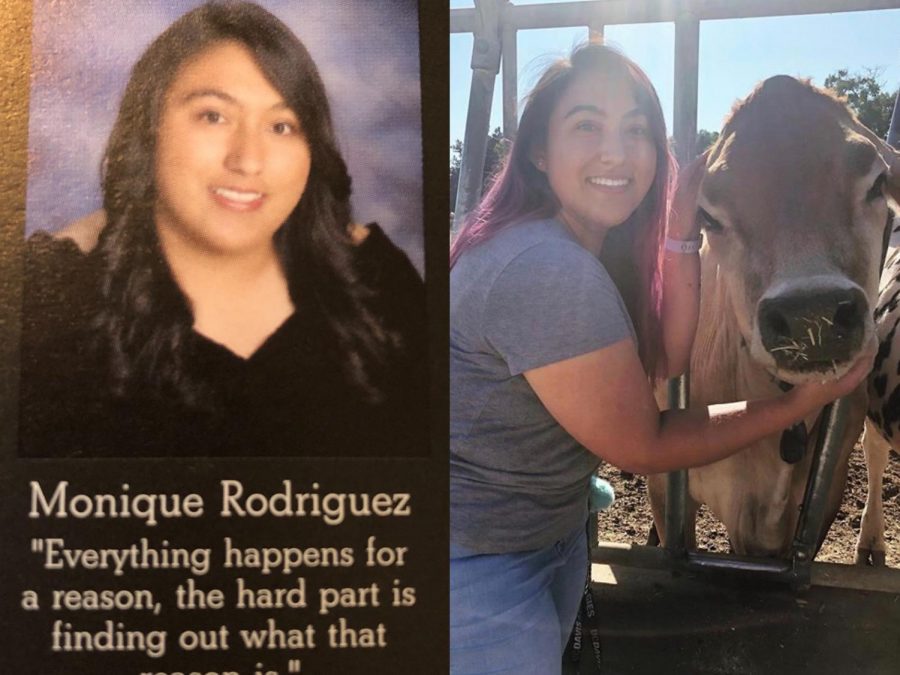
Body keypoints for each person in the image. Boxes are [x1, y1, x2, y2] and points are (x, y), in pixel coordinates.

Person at [449, 43, 873, 673]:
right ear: (538, 151)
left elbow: (667, 361)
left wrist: (680, 222)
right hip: (474, 569)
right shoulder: (546, 267)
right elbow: (641, 446)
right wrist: (798, 403)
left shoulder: (584, 249)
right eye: (586, 125)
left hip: (541, 535)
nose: (616, 152)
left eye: (637, 130)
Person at [19, 0, 426, 458]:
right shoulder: (50, 298)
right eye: (213, 116)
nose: (248, 159)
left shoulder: (379, 290)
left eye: (281, 125)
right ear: (147, 128)